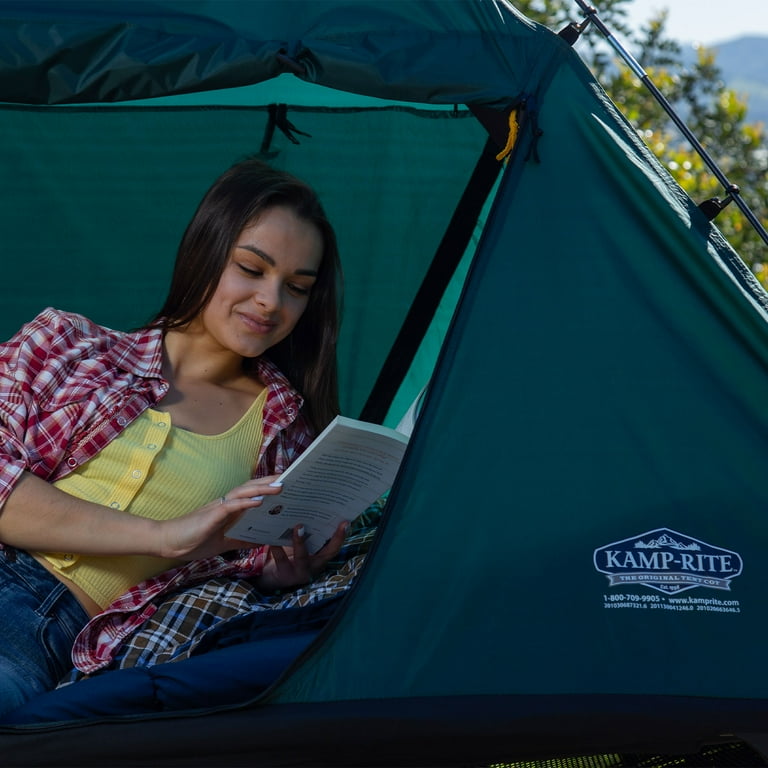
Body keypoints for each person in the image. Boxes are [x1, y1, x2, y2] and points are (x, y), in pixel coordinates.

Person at [0, 157, 348, 716]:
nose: (271, 302)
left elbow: (232, 573)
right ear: (205, 251)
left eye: (297, 287)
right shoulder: (66, 345)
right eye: (251, 269)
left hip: (52, 630)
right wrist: (165, 535)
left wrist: (278, 573)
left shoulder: (287, 439)